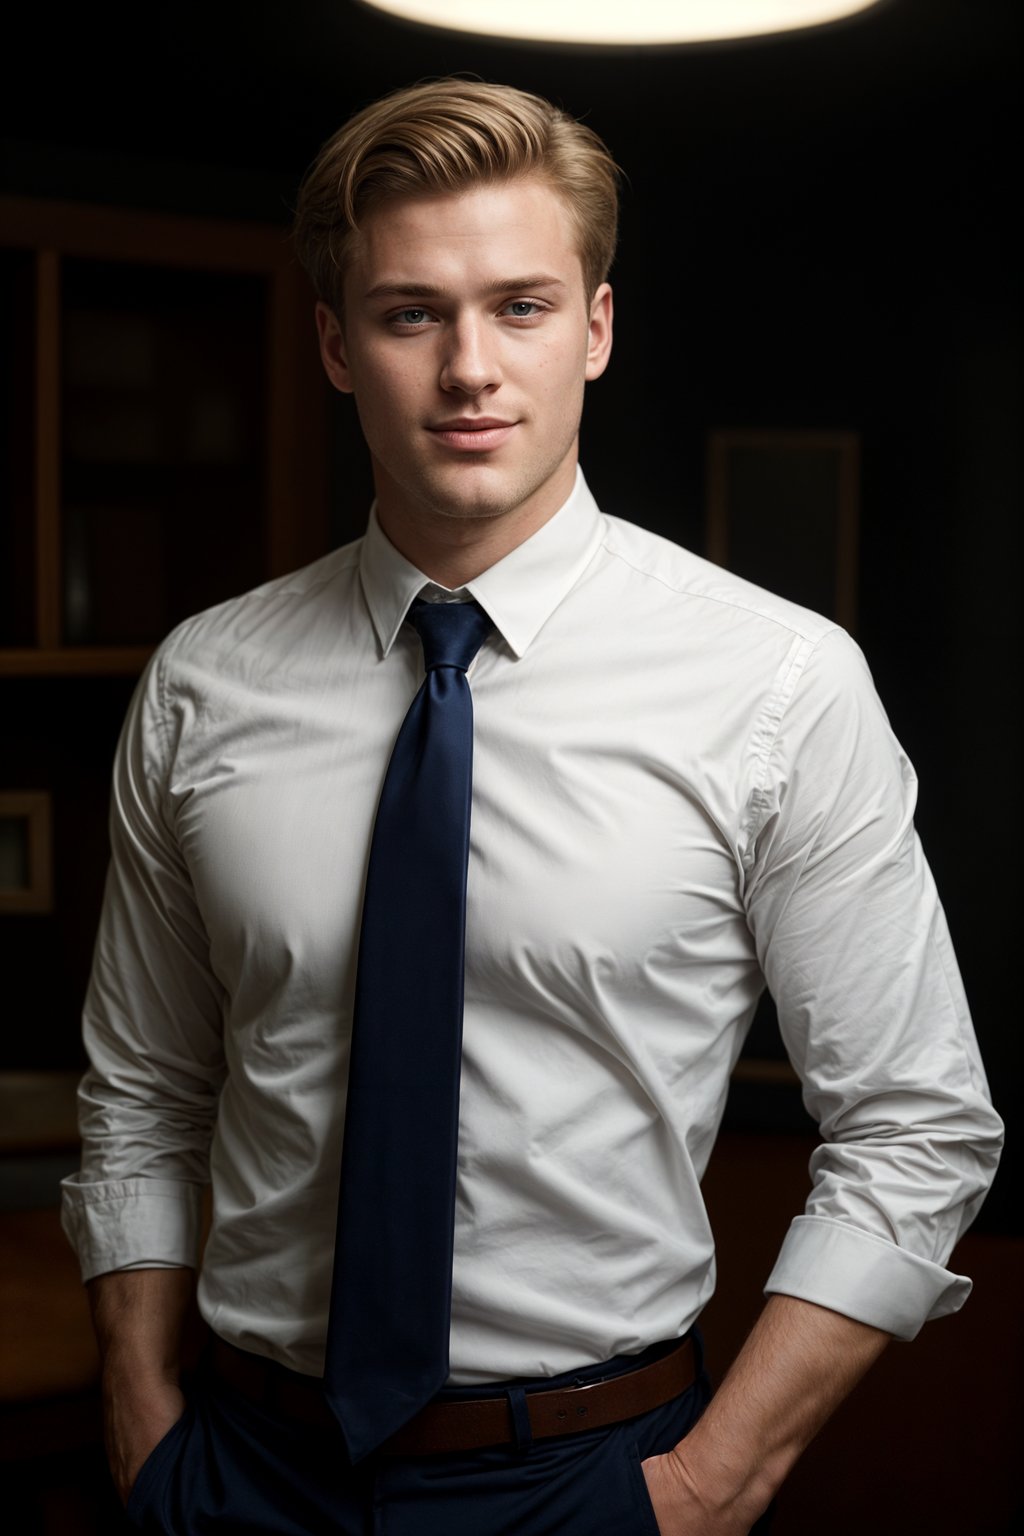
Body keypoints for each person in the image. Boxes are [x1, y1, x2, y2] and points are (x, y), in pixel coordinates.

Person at [61, 78, 1003, 1535]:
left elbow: (917, 1128)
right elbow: (143, 1093)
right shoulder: (205, 681)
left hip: (591, 1478)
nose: (469, 371)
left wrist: (708, 1488)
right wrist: (142, 1419)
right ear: (333, 343)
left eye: (520, 307)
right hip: (240, 1476)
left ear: (598, 329)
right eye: (410, 313)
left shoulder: (779, 683)